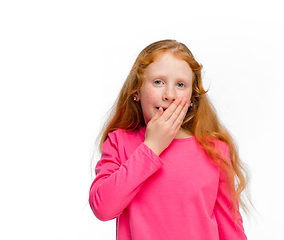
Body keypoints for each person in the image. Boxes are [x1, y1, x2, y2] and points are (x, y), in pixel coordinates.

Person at [89, 39, 250, 240]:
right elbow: (103, 208)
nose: (170, 94)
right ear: (136, 91)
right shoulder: (119, 142)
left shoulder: (215, 149)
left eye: (180, 85)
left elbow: (230, 229)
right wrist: (152, 147)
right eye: (158, 82)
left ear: (192, 98)